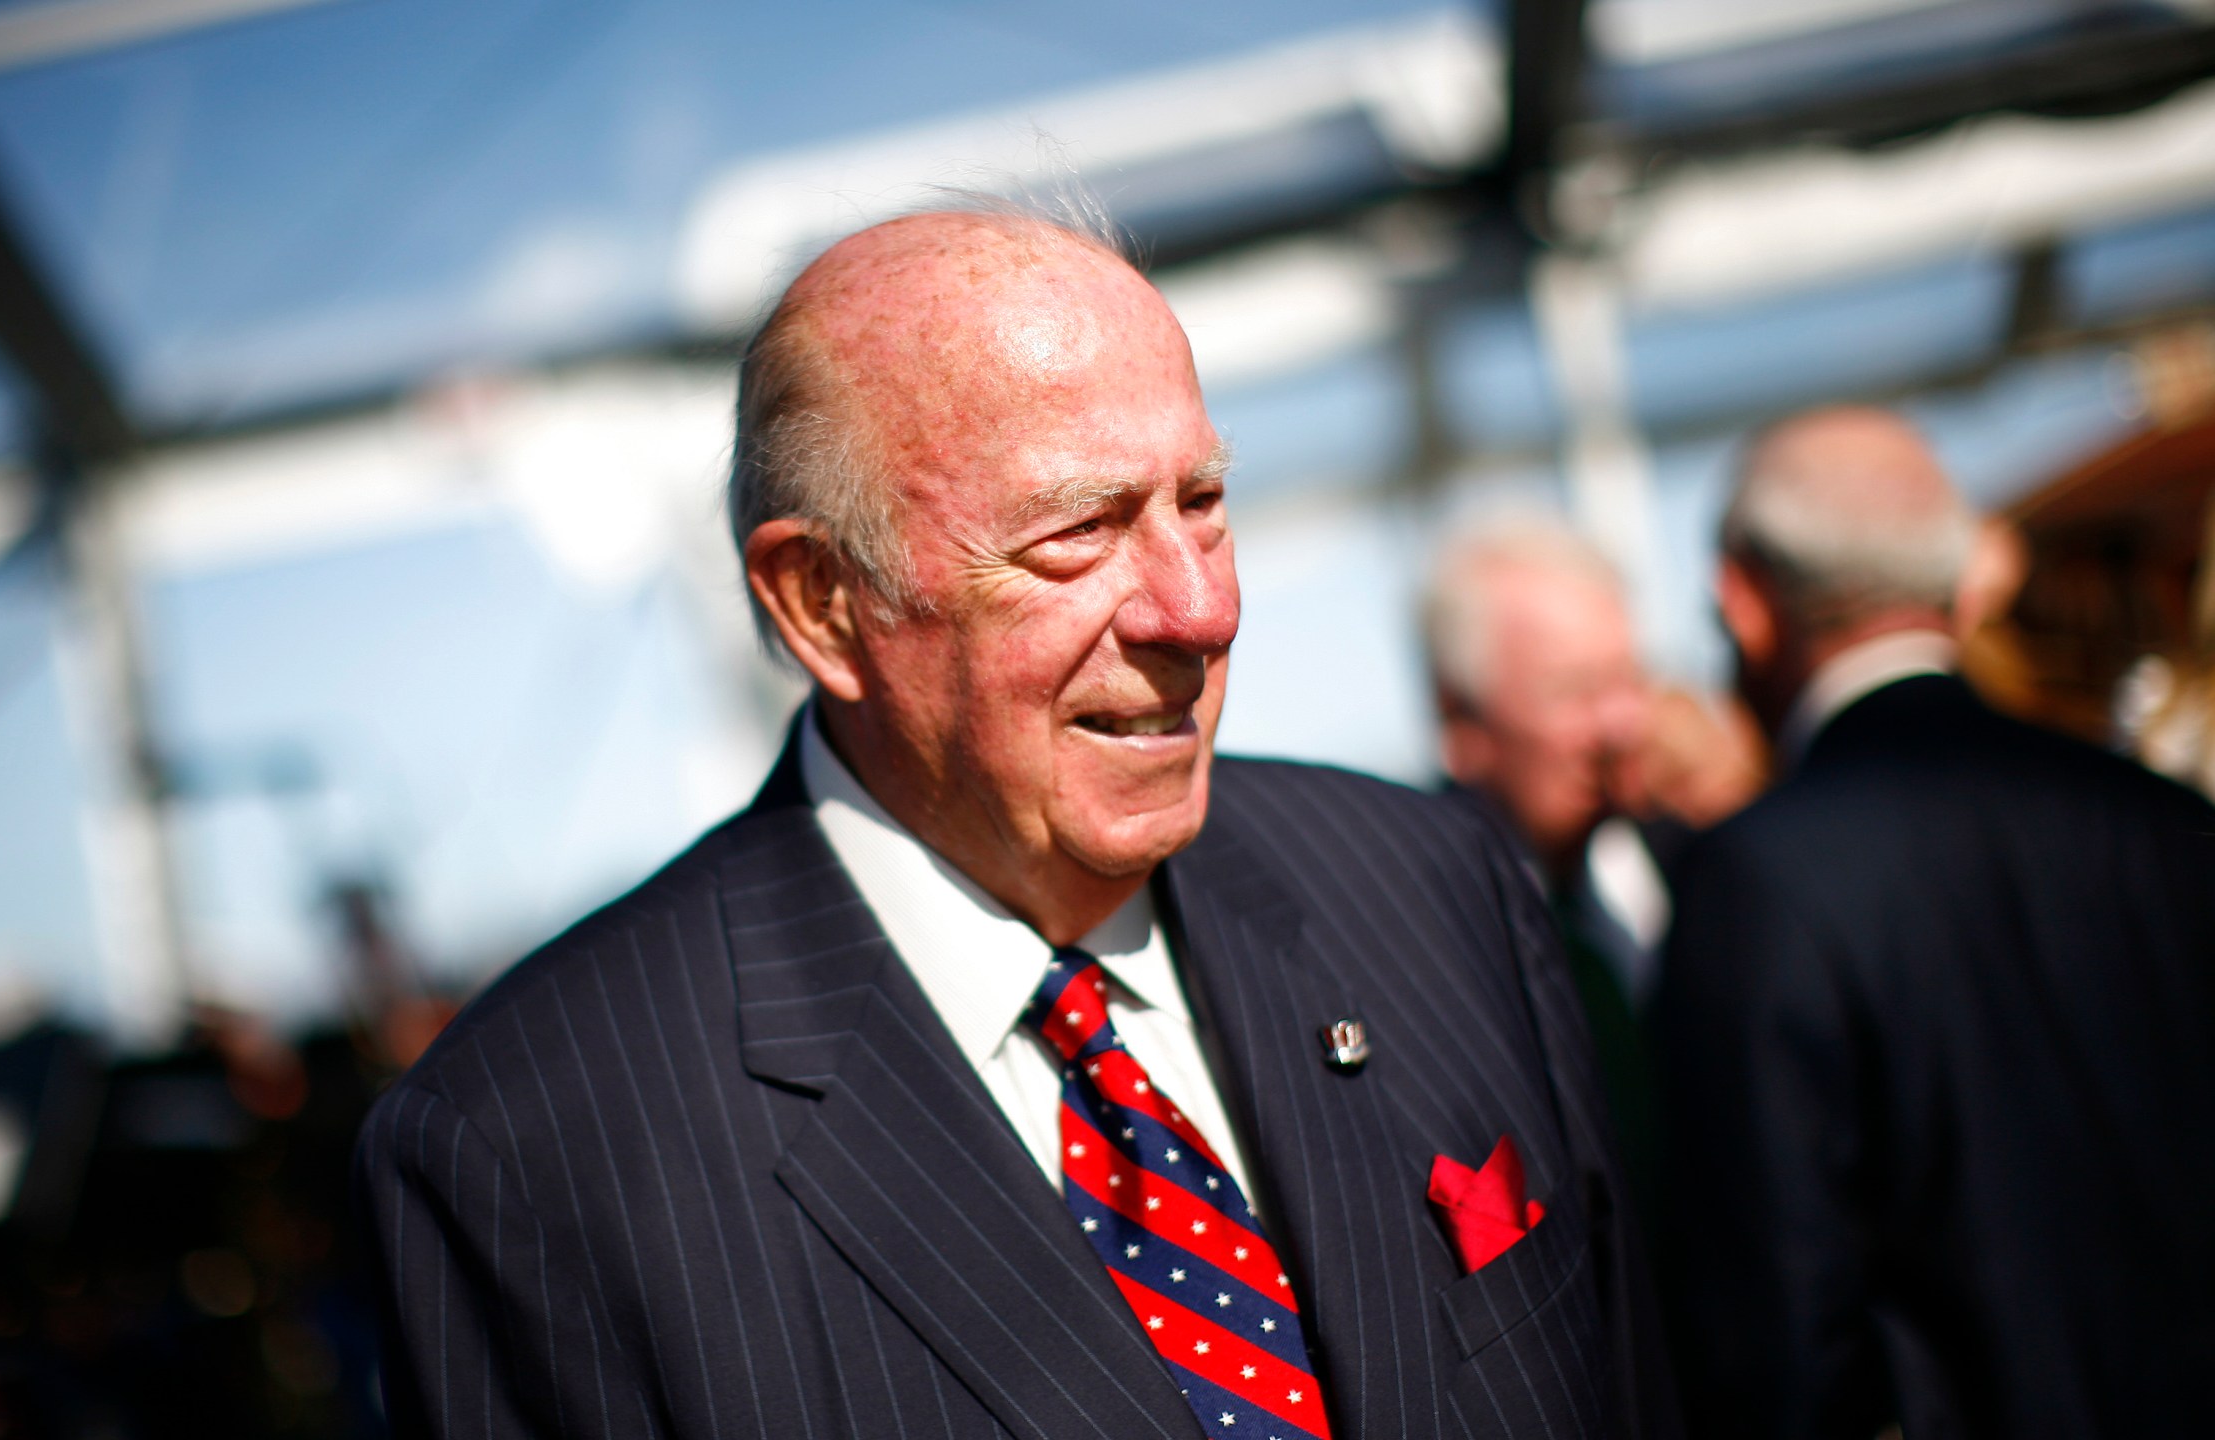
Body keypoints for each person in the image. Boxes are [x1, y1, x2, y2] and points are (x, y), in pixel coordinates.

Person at [358, 205, 1674, 1440]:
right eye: (1079, 532)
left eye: (1202, 505)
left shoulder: (1428, 886)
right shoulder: (530, 1151)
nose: (1195, 610)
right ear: (822, 601)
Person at [1654, 406, 2215, 1440]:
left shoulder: (1755, 881)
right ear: (1959, 590)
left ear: (1743, 603)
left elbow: (1773, 1334)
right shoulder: (2164, 823)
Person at [1420, 518, 1662, 1212]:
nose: (1619, 726)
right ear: (1460, 721)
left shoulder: (1683, 863)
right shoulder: (1427, 935)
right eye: (1575, 692)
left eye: (1630, 680)